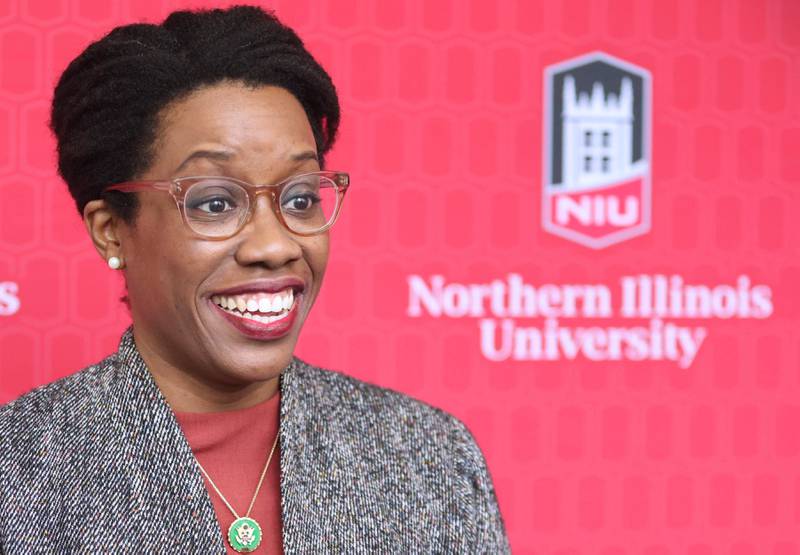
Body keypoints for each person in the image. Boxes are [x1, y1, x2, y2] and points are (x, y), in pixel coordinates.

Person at [0, 5, 510, 554]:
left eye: (300, 198)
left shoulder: (428, 456)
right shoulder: (21, 470)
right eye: (216, 203)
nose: (274, 245)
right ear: (111, 232)